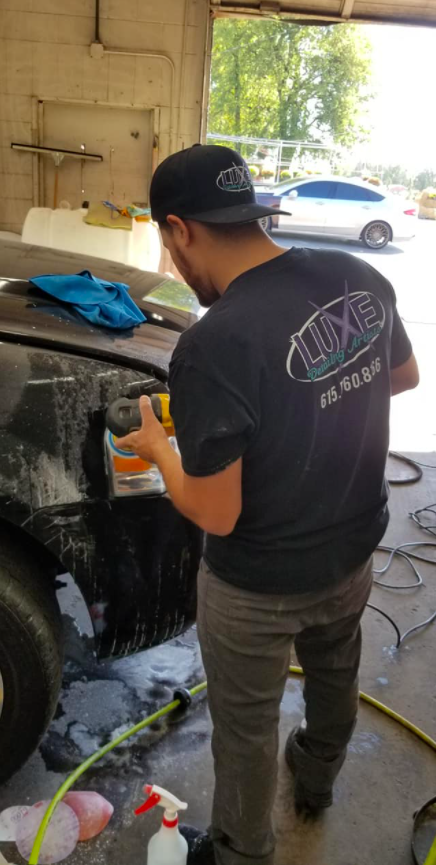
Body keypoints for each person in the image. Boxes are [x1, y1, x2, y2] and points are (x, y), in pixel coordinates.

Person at [116, 145, 419, 865]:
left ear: (180, 229)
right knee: (335, 670)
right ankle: (316, 778)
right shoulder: (358, 276)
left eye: (167, 241)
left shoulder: (214, 341)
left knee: (246, 729)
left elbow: (216, 513)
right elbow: (400, 375)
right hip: (351, 552)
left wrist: (162, 449)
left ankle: (241, 852)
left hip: (256, 586)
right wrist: (298, 411)